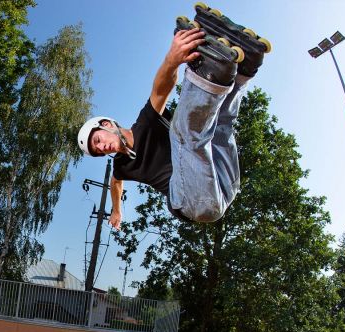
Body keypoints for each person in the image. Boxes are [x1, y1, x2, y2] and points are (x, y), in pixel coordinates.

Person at [77, 17, 266, 226]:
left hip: (224, 182)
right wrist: (116, 211)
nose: (102, 148)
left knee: (219, 126)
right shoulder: (121, 165)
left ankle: (243, 69)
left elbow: (160, 90)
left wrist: (172, 60)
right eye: (98, 151)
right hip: (191, 203)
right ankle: (208, 75)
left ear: (106, 125)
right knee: (183, 134)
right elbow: (115, 183)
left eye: (98, 141)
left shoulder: (144, 124)